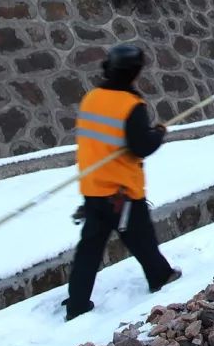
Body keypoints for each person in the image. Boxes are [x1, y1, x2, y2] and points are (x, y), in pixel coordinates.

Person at [64, 44, 180, 321]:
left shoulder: (91, 97)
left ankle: (77, 303)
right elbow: (140, 146)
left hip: (93, 188)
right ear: (135, 72)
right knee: (142, 239)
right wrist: (159, 133)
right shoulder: (132, 106)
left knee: (89, 250)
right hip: (122, 193)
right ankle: (161, 276)